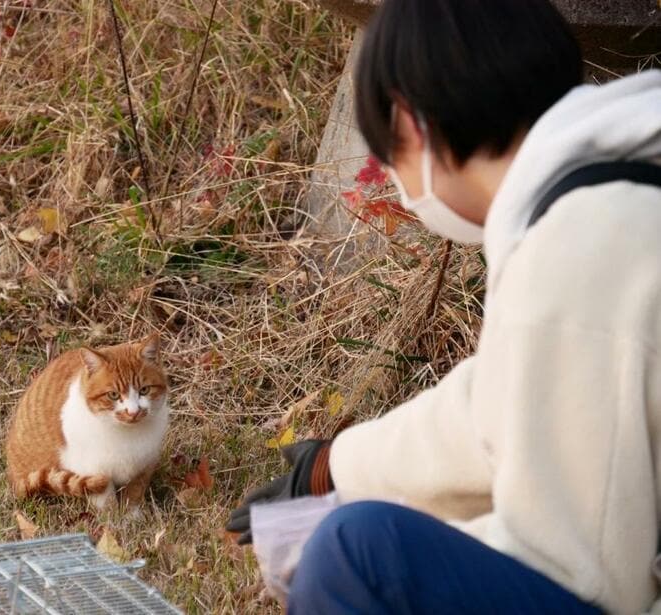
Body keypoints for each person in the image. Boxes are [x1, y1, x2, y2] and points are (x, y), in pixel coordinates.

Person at [226, 0, 661, 613]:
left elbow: (582, 572)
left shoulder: (586, 240)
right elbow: (497, 409)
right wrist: (335, 467)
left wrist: (364, 549)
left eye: (389, 156)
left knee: (354, 555)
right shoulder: (615, 191)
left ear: (407, 122)